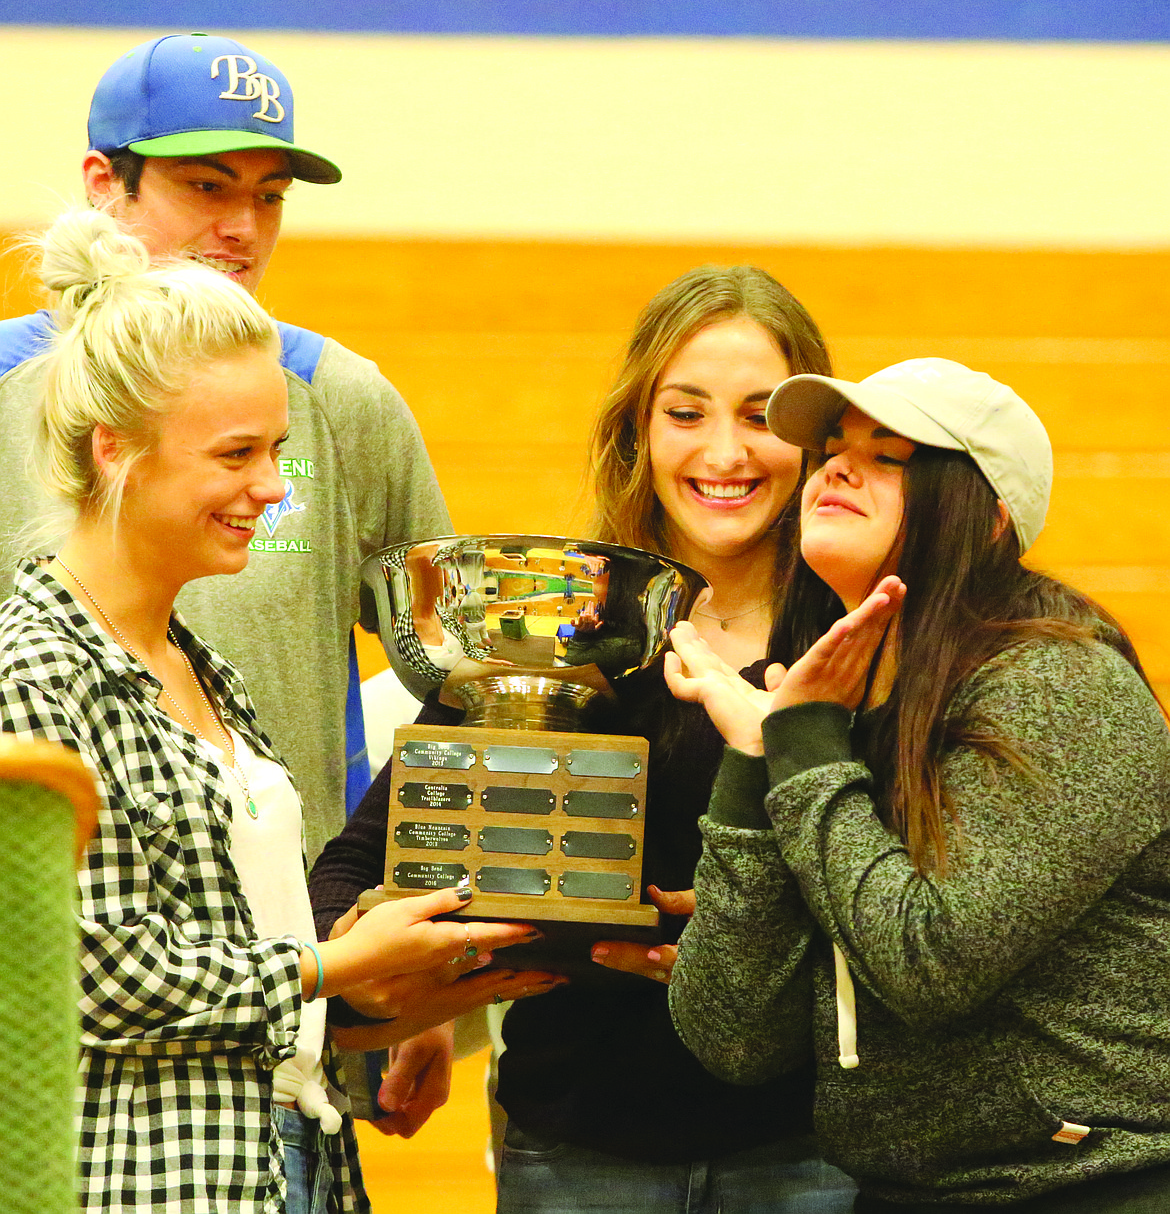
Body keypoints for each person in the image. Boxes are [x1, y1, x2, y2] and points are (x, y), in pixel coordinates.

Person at [0, 208, 540, 1214]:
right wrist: (337, 961)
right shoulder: (31, 673)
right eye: (236, 454)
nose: (269, 487)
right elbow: (91, 973)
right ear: (115, 450)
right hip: (133, 1180)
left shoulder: (201, 670)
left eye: (276, 451)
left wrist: (393, 986)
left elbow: (247, 964)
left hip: (281, 1153)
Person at [310, 265, 860, 1211]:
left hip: (813, 1149)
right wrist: (392, 977)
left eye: (761, 415)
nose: (724, 452)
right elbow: (357, 875)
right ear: (637, 432)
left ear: (813, 440)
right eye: (686, 413)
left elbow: (924, 913)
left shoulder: (860, 643)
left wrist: (758, 967)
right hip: (577, 1149)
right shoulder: (559, 635)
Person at [666, 358, 1170, 1211]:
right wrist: (756, 764)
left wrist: (799, 747)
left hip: (1087, 1184)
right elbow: (734, 1037)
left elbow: (928, 961)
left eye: (890, 456)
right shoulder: (837, 702)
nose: (837, 467)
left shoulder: (1059, 685)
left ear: (989, 521)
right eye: (831, 448)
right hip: (901, 1190)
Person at [0, 31, 450, 865]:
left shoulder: (342, 396)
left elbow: (453, 668)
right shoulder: (5, 388)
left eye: (269, 197)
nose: (242, 227)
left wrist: (372, 876)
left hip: (302, 935)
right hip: (55, 928)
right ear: (105, 185)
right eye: (206, 186)